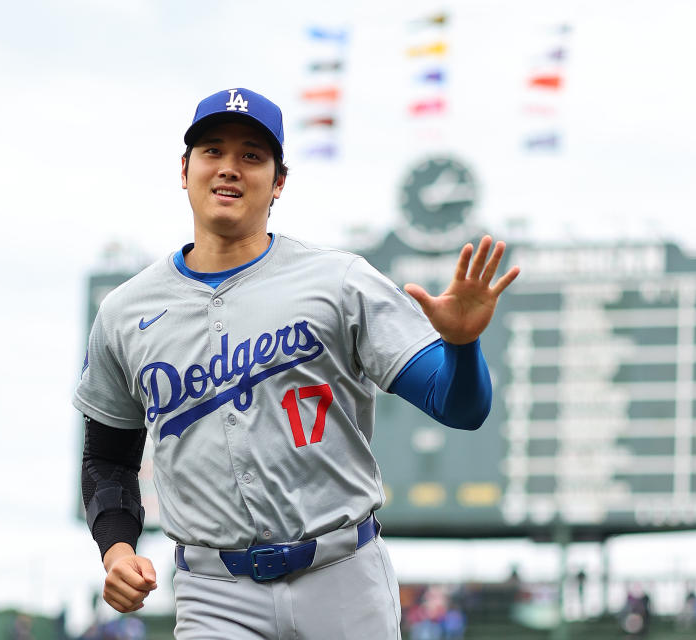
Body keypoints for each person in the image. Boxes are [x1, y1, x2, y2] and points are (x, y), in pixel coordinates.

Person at [73, 87, 520, 639]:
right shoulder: (125, 311)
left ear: (280, 181)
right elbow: (108, 459)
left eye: (252, 156)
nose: (229, 168)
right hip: (215, 592)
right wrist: (116, 549)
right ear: (185, 168)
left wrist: (462, 346)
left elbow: (460, 408)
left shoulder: (339, 281)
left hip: (342, 576)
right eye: (212, 151)